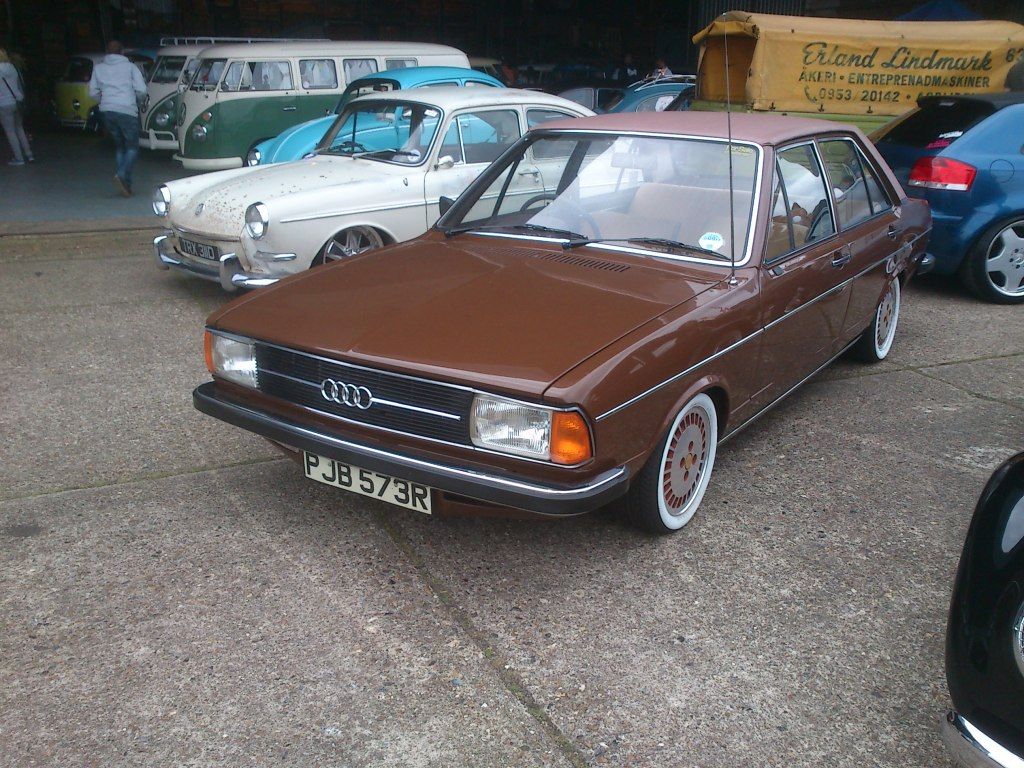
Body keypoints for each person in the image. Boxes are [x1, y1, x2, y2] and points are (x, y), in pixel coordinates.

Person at [88, 40, 147, 196]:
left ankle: (126, 185)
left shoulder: (98, 68)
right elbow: (141, 89)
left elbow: (92, 92)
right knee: (132, 147)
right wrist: (137, 101)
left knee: (120, 146)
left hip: (107, 111)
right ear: (122, 51)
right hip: (127, 110)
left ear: (107, 51)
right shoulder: (131, 68)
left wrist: (104, 101)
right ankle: (122, 175)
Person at [0, 48, 33, 166]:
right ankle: (29, 154)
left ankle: (19, 158)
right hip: (16, 101)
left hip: (4, 104)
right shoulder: (12, 68)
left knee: (10, 132)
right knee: (19, 128)